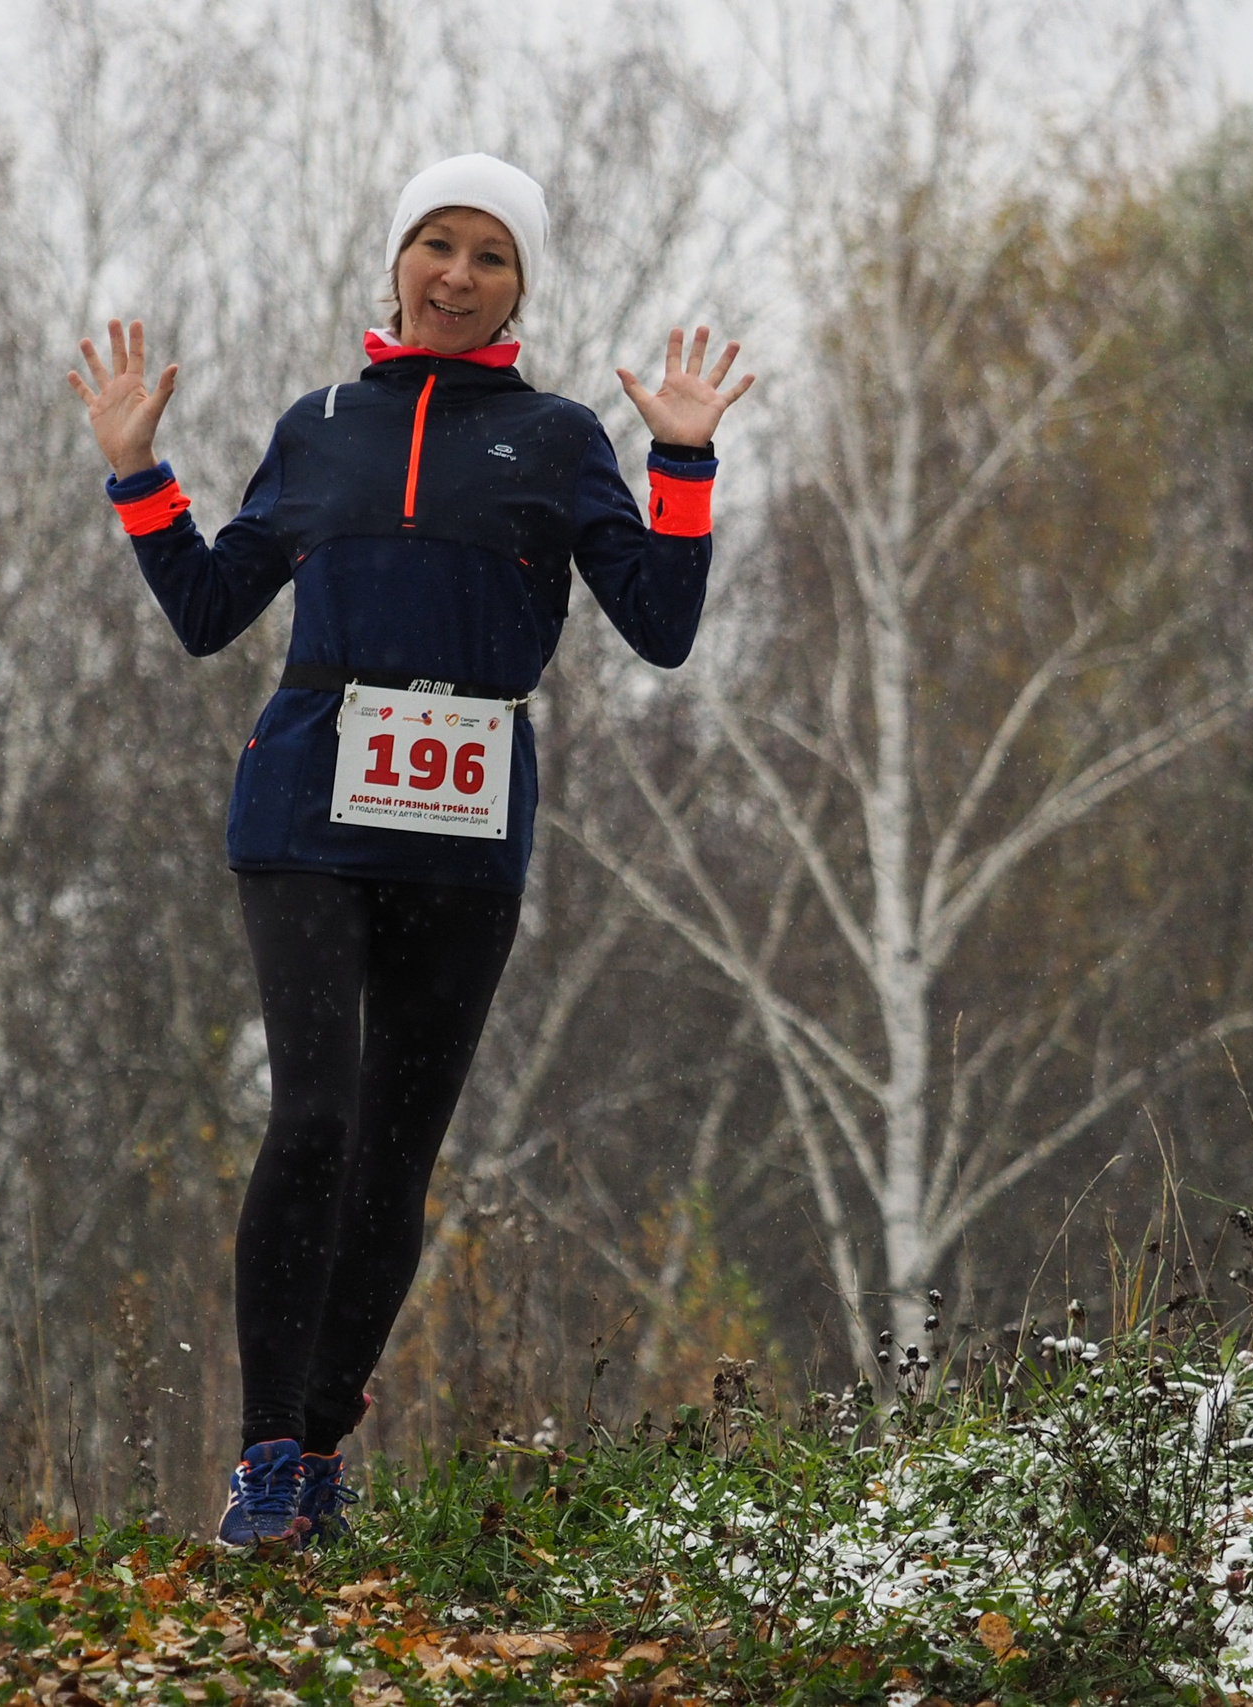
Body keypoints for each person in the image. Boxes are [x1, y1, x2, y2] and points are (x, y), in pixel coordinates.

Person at [67, 153, 751, 1549]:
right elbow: (208, 608)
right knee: (315, 1116)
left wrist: (681, 463)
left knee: (396, 1147)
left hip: (464, 826)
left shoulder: (560, 438)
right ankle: (265, 1456)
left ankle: (319, 1453)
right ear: (396, 262)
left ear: (520, 286)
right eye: (436, 244)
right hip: (306, 805)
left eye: (491, 255)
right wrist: (139, 474)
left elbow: (665, 627)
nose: (457, 274)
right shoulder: (319, 426)